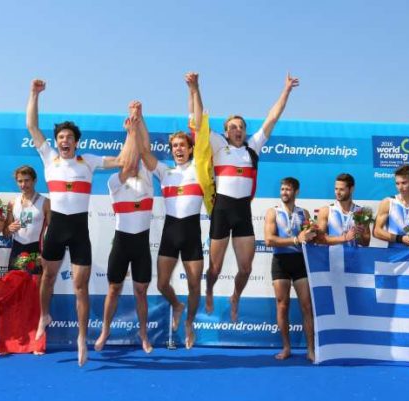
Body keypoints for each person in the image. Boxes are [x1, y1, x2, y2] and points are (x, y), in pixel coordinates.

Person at [26, 79, 132, 366]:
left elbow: (123, 160)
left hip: (79, 230)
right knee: (47, 277)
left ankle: (81, 339)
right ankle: (43, 315)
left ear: (76, 141)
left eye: (69, 137)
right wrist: (34, 94)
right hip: (57, 227)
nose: (64, 141)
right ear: (57, 142)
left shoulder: (89, 161)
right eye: (60, 137)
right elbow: (33, 127)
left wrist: (132, 130)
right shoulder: (49, 158)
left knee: (80, 288)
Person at [195, 72, 300, 321]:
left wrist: (286, 90)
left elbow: (272, 117)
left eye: (241, 127)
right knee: (216, 267)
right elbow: (199, 122)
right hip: (221, 210)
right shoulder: (218, 145)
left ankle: (235, 296)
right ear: (225, 131)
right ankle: (209, 289)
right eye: (233, 127)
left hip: (242, 212)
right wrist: (195, 88)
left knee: (245, 267)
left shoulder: (253, 147)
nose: (238, 130)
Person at [134, 86, 205, 349]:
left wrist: (193, 89)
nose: (178, 149)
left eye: (182, 145)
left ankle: (189, 323)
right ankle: (177, 304)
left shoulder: (199, 168)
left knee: (195, 283)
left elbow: (197, 125)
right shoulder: (164, 172)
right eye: (174, 146)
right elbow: (143, 151)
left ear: (190, 148)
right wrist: (140, 119)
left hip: (192, 234)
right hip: (170, 231)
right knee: (162, 283)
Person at [94, 111, 154, 353]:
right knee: (114, 289)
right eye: (129, 159)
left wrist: (139, 120)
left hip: (141, 244)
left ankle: (143, 335)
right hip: (121, 243)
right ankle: (105, 330)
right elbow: (127, 157)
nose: (133, 161)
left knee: (141, 291)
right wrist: (130, 133)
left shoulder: (148, 178)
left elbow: (145, 147)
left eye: (136, 159)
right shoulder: (114, 183)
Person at [263, 177, 316, 361]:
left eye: (288, 189)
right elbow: (269, 240)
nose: (284, 192)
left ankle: (311, 349)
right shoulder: (273, 212)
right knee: (282, 305)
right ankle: (286, 348)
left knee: (307, 306)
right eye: (283, 189)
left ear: (296, 192)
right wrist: (295, 240)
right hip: (281, 262)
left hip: (300, 261)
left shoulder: (304, 213)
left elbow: (310, 237)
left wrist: (312, 234)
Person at [3, 165, 50, 274]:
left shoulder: (46, 202)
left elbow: (53, 232)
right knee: (14, 286)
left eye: (27, 180)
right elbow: (5, 233)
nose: (23, 185)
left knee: (35, 288)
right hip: (17, 249)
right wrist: (9, 229)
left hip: (36, 249)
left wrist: (46, 254)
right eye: (20, 181)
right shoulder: (12, 203)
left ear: (35, 180)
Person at [373, 165, 409, 247]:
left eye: (404, 183)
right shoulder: (388, 202)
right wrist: (400, 239)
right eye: (397, 183)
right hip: (394, 257)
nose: (400, 187)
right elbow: (376, 232)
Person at [317, 173, 371, 246]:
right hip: (333, 257)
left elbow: (366, 243)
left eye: (341, 189)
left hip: (353, 257)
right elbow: (319, 239)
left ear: (351, 189)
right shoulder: (326, 211)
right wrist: (344, 238)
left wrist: (359, 235)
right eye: (336, 189)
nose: (337, 192)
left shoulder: (361, 212)